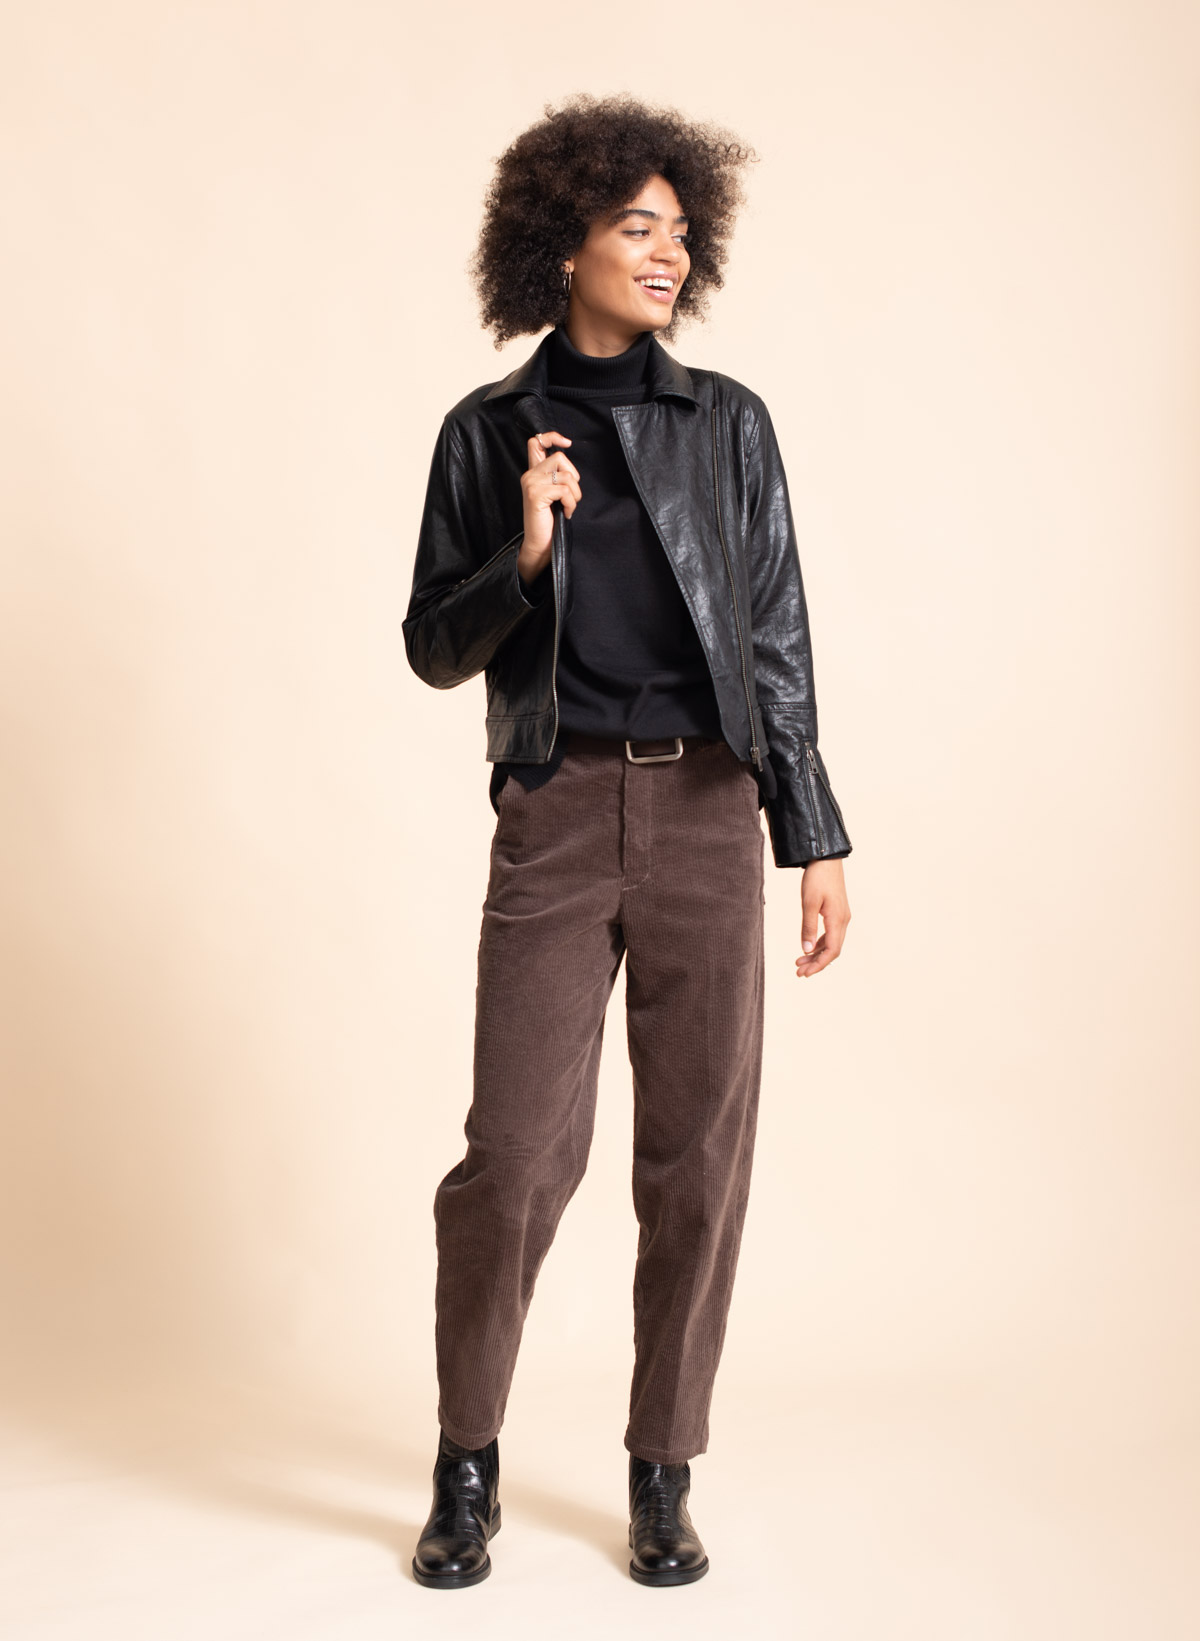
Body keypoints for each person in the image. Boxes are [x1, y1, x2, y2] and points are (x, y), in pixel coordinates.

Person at [403, 92, 853, 1589]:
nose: (667, 253)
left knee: (698, 1158)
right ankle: (467, 1465)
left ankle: (665, 1468)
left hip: (710, 811)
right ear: (563, 244)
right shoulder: (486, 433)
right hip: (555, 809)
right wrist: (526, 550)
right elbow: (433, 647)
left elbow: (774, 639)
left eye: (679, 230)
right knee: (514, 1154)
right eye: (634, 227)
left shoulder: (729, 424)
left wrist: (813, 831)